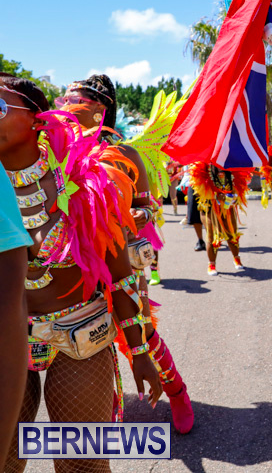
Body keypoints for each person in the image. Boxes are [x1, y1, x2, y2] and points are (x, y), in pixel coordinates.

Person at [0, 74, 162, 472]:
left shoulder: (86, 181)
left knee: (81, 463)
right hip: (7, 340)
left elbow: (120, 272)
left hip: (78, 337)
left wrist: (140, 352)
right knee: (4, 460)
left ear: (37, 120)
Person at [59, 75, 194, 433]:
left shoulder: (127, 155)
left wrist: (141, 214)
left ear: (100, 112)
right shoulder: (52, 153)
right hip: (73, 265)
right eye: (63, 101)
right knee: (86, 334)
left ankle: (177, 391)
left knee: (141, 330)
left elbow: (148, 204)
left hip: (120, 262)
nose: (64, 108)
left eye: (74, 103)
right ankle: (102, 400)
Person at [0, 164, 33, 467]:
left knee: (79, 459)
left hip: (75, 333)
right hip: (21, 340)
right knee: (13, 459)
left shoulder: (80, 175)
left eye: (3, 111)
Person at [190, 162, 251, 275]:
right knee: (212, 236)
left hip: (228, 208)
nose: (220, 165)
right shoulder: (203, 169)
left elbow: (238, 188)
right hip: (210, 209)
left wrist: (234, 197)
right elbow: (199, 192)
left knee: (232, 234)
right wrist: (216, 196)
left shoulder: (232, 170)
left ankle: (237, 259)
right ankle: (211, 264)